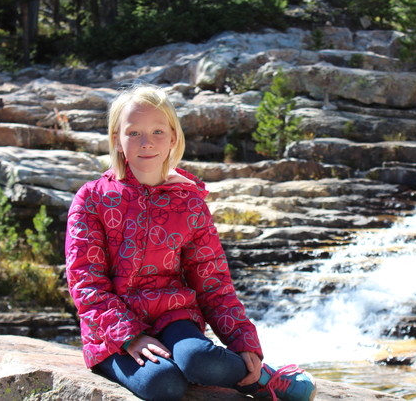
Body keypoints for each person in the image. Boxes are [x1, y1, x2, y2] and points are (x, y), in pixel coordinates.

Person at [65, 84, 317, 401]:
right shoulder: (92, 199)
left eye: (158, 131)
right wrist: (129, 337)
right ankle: (149, 361)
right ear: (117, 139)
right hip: (112, 332)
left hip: (174, 316)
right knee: (164, 385)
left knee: (200, 361)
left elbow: (212, 280)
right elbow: (85, 283)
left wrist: (242, 340)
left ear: (173, 138)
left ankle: (264, 379)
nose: (147, 143)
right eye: (134, 133)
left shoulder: (189, 203)